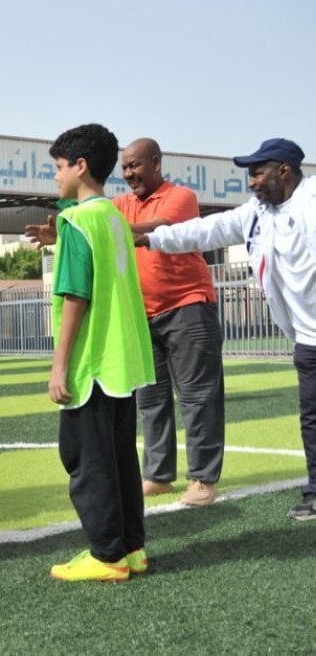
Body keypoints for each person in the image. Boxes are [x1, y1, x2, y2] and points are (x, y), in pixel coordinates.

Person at [134, 138, 316, 521]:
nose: (251, 182)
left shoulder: (312, 200)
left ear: (284, 171)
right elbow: (205, 230)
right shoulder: (256, 213)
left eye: (258, 173)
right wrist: (149, 238)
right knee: (312, 418)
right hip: (308, 339)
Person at [24, 124, 155, 582]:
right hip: (121, 361)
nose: (56, 176)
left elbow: (76, 295)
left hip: (93, 363)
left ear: (80, 166)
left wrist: (59, 366)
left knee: (86, 459)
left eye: (59, 167)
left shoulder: (77, 222)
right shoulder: (113, 217)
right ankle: (132, 548)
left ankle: (106, 556)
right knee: (120, 458)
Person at [112, 138, 225, 506]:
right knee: (151, 399)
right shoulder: (121, 204)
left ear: (156, 163)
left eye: (134, 165)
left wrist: (107, 227)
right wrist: (64, 232)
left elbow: (158, 229)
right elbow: (99, 223)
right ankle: (158, 475)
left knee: (197, 397)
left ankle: (203, 479)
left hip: (187, 307)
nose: (128, 173)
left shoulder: (181, 197)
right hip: (142, 315)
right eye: (124, 167)